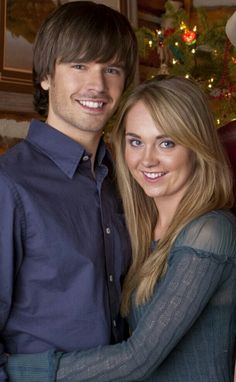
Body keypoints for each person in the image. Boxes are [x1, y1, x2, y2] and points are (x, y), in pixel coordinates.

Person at [6, 76, 236, 382]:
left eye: (166, 142)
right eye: (135, 141)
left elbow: (139, 358)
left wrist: (17, 370)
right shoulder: (142, 229)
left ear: (196, 146)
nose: (147, 159)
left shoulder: (209, 233)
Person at [0, 1, 138, 381]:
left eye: (111, 69)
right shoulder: (8, 185)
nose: (97, 85)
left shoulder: (123, 181)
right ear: (46, 75)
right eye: (79, 66)